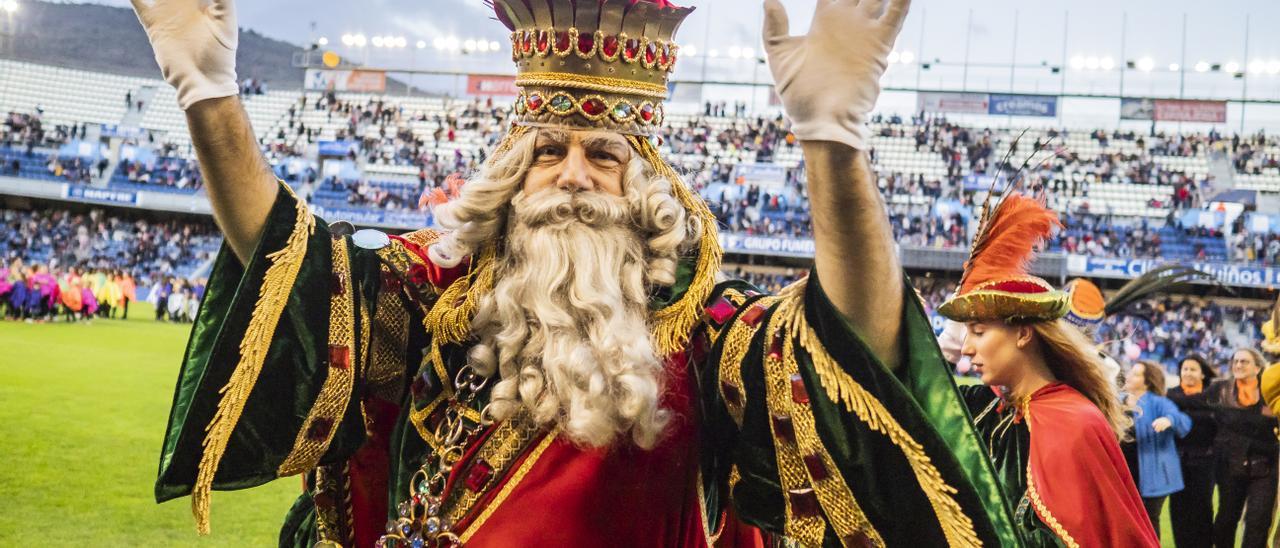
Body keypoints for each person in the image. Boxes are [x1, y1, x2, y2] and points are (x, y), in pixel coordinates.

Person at [132, 0, 1025, 546]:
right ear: (511, 171)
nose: (570, 175)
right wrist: (205, 88)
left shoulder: (707, 333)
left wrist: (833, 142)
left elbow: (855, 358)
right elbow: (294, 272)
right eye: (547, 148)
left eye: (603, 154)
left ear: (646, 186)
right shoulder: (434, 299)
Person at [937, 189, 1159, 546]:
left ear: (1023, 334)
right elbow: (923, 393)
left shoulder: (1074, 423)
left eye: (978, 331)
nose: (967, 347)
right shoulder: (993, 410)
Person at [1208, 347, 1278, 548]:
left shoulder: (1270, 392)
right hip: (1230, 466)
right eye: (1236, 361)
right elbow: (1201, 412)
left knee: (1258, 521)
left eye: (1244, 361)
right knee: (1226, 520)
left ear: (1258, 368)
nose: (1238, 365)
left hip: (1265, 466)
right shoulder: (1220, 390)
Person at [1123, 360, 1191, 538]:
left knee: (1148, 522)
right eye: (1131, 371)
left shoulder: (1157, 402)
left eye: (1136, 374)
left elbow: (1182, 420)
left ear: (1147, 381)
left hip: (1152, 475)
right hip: (1124, 473)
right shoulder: (1119, 401)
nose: (1129, 375)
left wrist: (1169, 420)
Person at [1166, 353, 1217, 548]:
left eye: (1192, 369)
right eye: (1184, 369)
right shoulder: (1172, 393)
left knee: (1202, 508)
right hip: (1177, 461)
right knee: (1178, 509)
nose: (1187, 372)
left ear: (1203, 374)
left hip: (1205, 461)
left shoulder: (1212, 395)